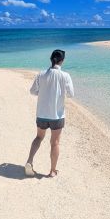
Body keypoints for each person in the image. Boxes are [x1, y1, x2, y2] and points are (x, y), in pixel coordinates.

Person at [25, 49, 74, 178]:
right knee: (55, 142)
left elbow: (33, 91)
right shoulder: (65, 76)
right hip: (57, 115)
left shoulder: (41, 74)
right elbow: (71, 94)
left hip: (42, 113)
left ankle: (29, 161)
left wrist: (43, 92)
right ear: (62, 61)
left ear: (51, 59)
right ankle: (52, 171)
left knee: (38, 137)